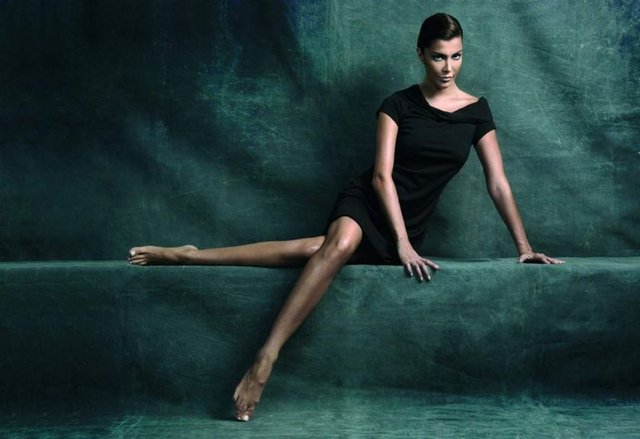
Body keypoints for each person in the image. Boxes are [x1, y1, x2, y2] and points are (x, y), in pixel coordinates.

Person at [128, 12, 564, 422]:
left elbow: (498, 183)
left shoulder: (476, 111)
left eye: (456, 55)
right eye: (438, 56)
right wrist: (402, 244)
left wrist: (524, 247)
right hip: (370, 203)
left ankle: (188, 255)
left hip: (410, 222)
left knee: (314, 249)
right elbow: (381, 176)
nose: (448, 67)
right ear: (420, 54)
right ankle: (265, 358)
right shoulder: (397, 105)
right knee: (339, 243)